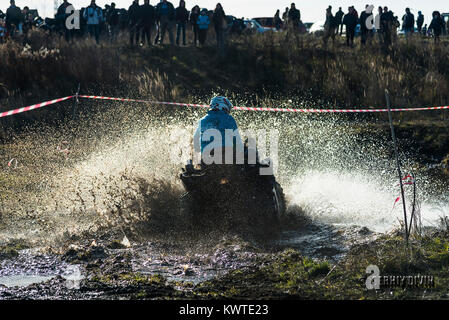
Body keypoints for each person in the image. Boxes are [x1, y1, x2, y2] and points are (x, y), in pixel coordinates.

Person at [193, 96, 243, 165]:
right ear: (224, 106)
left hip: (206, 156)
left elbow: (196, 142)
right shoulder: (229, 119)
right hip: (226, 154)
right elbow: (237, 141)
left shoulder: (202, 120)